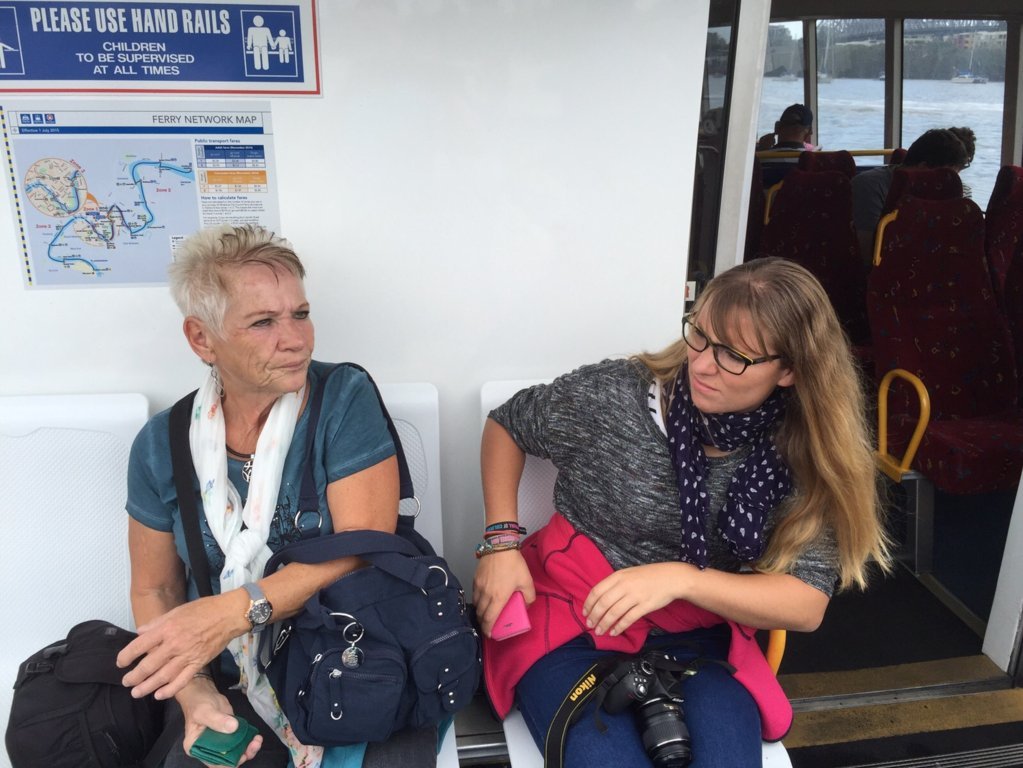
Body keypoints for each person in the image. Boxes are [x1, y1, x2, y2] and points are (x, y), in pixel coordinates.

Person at [473, 257, 891, 767]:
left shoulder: (799, 452)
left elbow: (806, 604)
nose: (703, 365)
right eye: (701, 337)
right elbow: (508, 424)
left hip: (697, 631)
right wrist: (501, 543)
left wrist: (681, 579)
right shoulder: (616, 394)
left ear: (790, 370)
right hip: (571, 614)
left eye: (734, 356)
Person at [116, 224, 437, 768]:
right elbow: (155, 588)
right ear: (201, 339)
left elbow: (363, 549)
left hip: (361, 657)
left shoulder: (343, 399)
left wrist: (231, 614)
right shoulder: (160, 445)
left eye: (301, 314)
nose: (296, 339)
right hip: (231, 677)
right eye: (263, 322)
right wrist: (195, 691)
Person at [851, 127, 972, 262]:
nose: (945, 184)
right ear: (923, 168)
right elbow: (867, 252)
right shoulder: (870, 186)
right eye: (944, 177)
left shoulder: (942, 192)